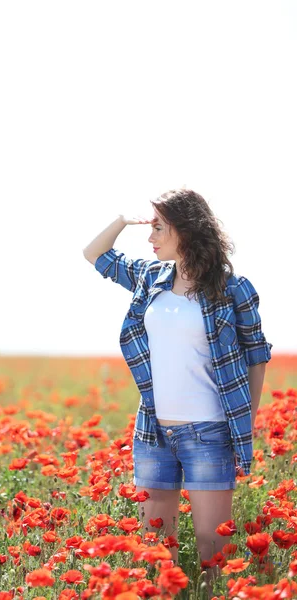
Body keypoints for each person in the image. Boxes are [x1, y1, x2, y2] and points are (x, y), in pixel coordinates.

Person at [83, 188, 273, 598]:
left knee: (212, 547)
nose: (149, 237)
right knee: (154, 548)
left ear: (185, 231)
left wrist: (247, 416)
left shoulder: (232, 288)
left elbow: (257, 355)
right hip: (153, 432)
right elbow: (94, 254)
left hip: (209, 431)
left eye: (158, 228)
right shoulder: (150, 278)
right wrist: (123, 218)